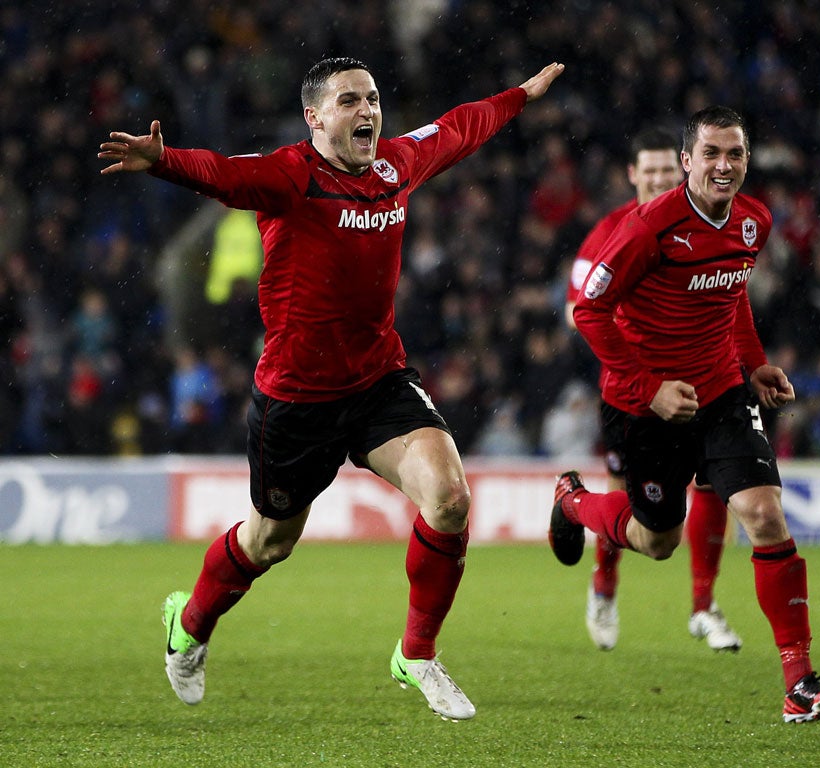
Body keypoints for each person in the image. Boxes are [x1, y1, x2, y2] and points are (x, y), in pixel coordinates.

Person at [99, 56, 565, 721]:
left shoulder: (396, 167)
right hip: (297, 399)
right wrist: (165, 159)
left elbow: (461, 128)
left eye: (372, 98)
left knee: (451, 498)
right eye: (349, 101)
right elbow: (225, 175)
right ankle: (190, 625)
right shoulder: (291, 175)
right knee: (270, 544)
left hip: (378, 380)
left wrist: (519, 94)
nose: (367, 111)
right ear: (315, 118)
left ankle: (418, 654)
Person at [549, 106, 820, 723]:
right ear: (686, 162)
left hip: (721, 392)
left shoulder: (754, 221)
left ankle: (799, 683)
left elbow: (730, 292)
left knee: (764, 514)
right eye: (710, 153)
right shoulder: (645, 229)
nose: (723, 165)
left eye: (734, 154)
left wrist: (756, 362)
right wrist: (649, 385)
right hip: (645, 406)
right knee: (657, 540)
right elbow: (589, 312)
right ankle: (572, 502)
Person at [562, 127, 741, 653]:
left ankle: (704, 606)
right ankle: (604, 587)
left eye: (670, 170)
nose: (662, 179)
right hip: (632, 395)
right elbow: (581, 311)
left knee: (713, 486)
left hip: (704, 383)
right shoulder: (610, 233)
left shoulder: (704, 221)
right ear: (634, 176)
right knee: (633, 508)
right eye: (653, 171)